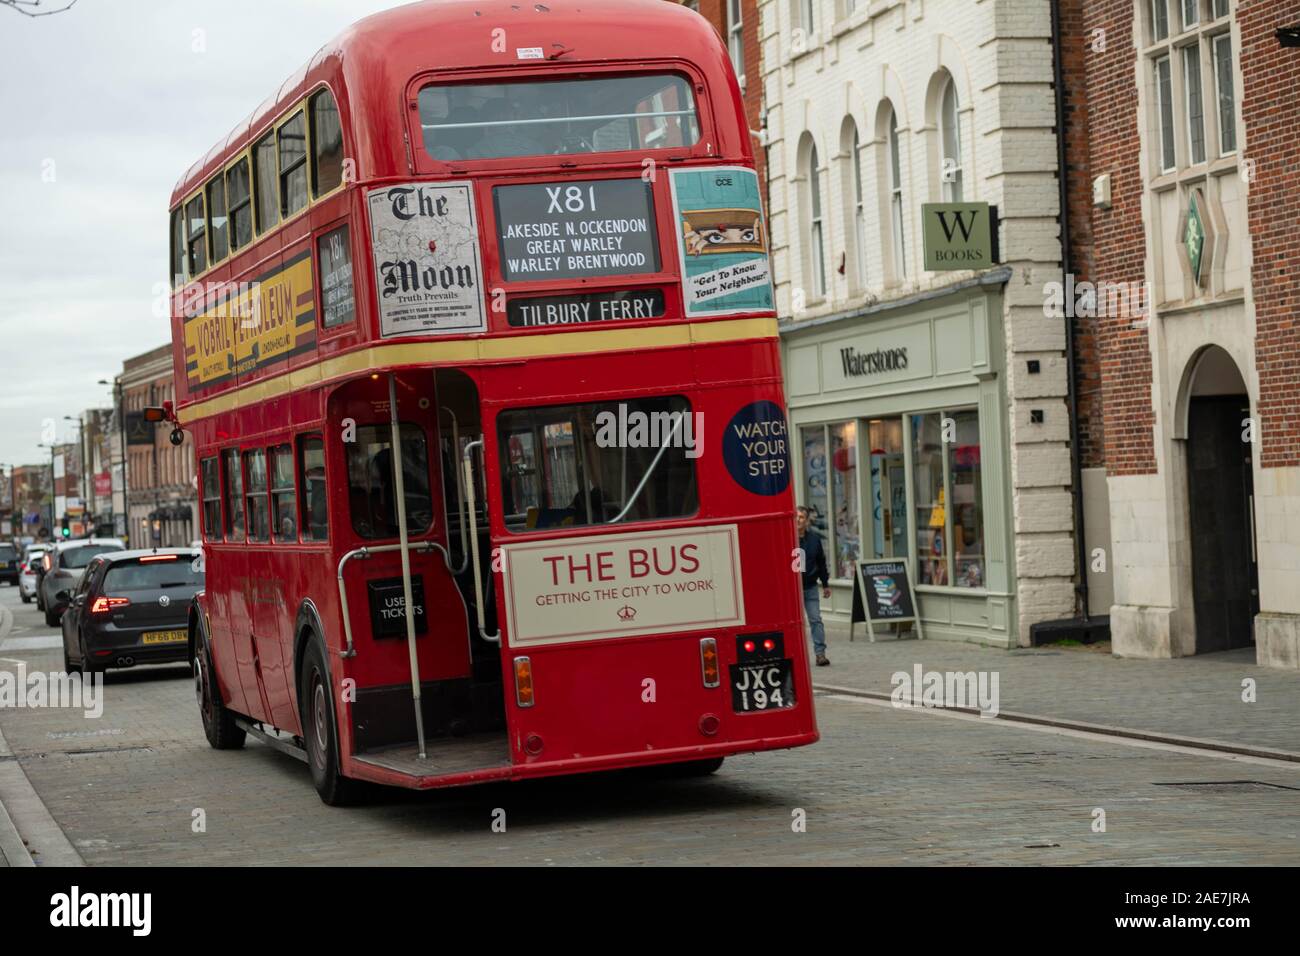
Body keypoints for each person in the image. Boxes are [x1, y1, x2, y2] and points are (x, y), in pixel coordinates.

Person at [796, 505, 832, 666]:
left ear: (807, 521)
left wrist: (825, 584)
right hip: (792, 589)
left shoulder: (814, 540)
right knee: (795, 624)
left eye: (801, 517)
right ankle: (796, 655)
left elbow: (821, 563)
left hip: (810, 586)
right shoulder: (787, 537)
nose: (798, 520)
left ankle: (820, 654)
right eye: (796, 517)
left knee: (816, 619)